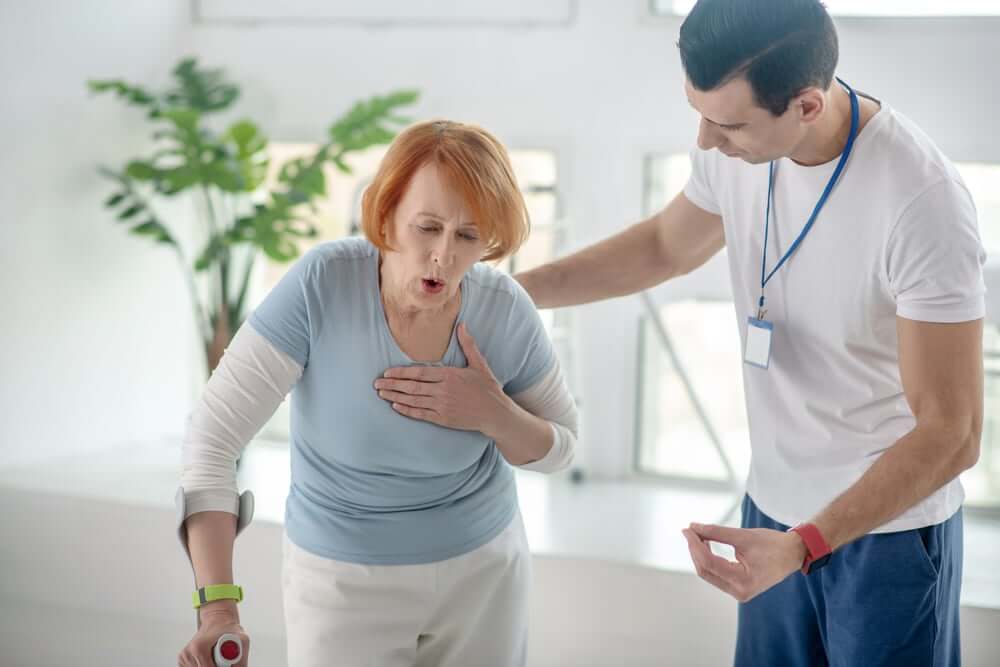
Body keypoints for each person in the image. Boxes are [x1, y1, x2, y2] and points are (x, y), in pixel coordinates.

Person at [513, 1, 985, 664]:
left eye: (727, 123)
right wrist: (515, 293)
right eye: (698, 112)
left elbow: (953, 432)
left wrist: (806, 543)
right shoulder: (735, 147)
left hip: (887, 534)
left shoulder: (920, 199)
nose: (706, 140)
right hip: (771, 511)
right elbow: (662, 248)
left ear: (807, 107)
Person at [175, 119, 578, 667]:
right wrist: (218, 610)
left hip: (483, 573)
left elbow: (562, 448)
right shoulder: (323, 286)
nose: (443, 256)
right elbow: (212, 443)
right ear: (385, 215)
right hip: (342, 580)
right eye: (427, 227)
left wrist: (493, 414)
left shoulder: (503, 308)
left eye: (468, 236)